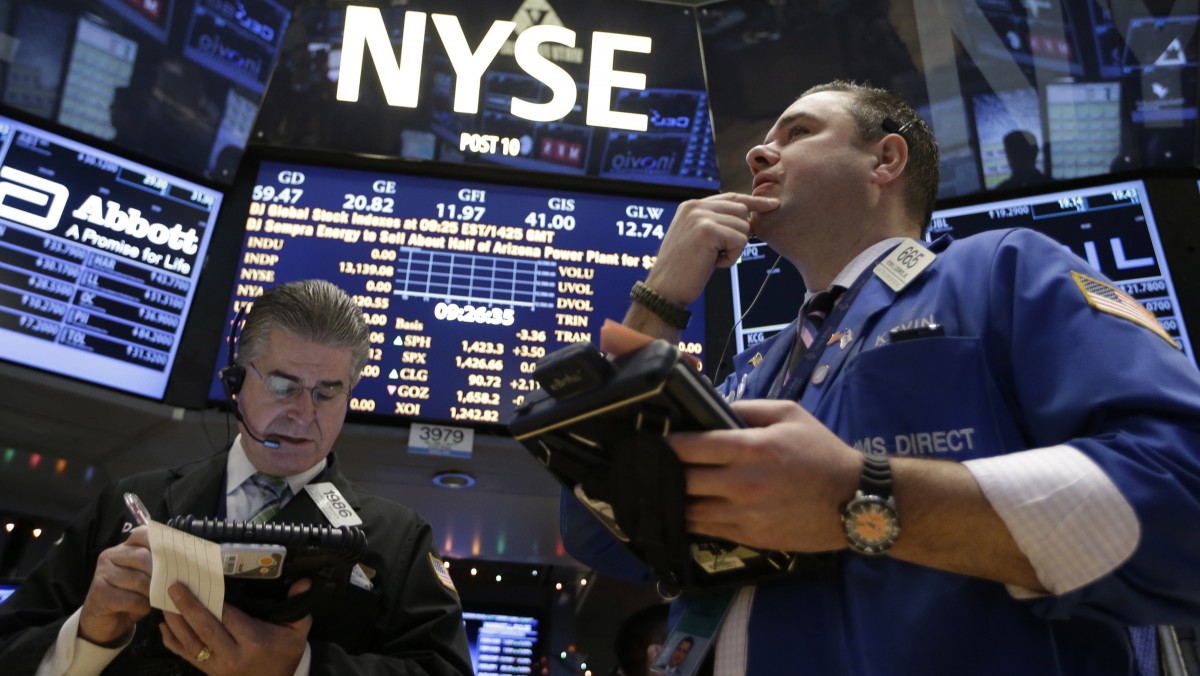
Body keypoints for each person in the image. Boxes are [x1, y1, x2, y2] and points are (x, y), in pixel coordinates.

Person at [561, 80, 1200, 674]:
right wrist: (662, 299)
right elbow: (599, 530)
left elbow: (1181, 496)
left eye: (798, 132)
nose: (760, 151)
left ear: (885, 161)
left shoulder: (1000, 270)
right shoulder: (749, 378)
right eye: (767, 138)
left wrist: (861, 498)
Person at [0, 280, 473, 674]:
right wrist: (89, 632)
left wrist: (300, 669)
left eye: (327, 393)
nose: (304, 415)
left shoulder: (400, 540)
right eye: (283, 385)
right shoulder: (127, 502)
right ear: (236, 382)